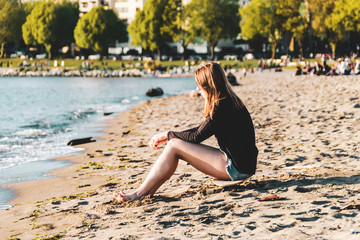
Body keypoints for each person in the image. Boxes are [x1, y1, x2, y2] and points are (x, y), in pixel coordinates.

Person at [113, 62, 258, 201]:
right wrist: (169, 135)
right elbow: (199, 130)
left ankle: (138, 194)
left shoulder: (221, 106)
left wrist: (168, 135)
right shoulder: (229, 100)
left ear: (208, 86)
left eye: (199, 86)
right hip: (243, 164)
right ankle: (144, 192)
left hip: (236, 168)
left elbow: (196, 136)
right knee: (174, 144)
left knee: (173, 146)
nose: (197, 90)